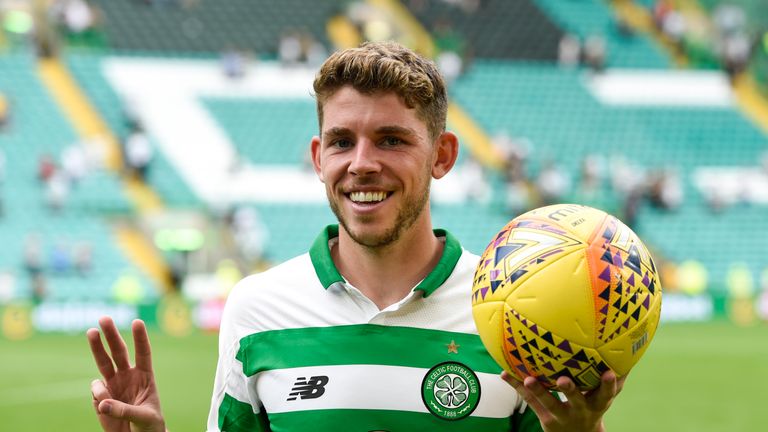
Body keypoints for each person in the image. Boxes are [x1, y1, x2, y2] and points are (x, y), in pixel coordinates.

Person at [87, 41, 624, 432]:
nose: (362, 164)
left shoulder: (511, 314)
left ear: (443, 156)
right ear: (319, 158)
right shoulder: (257, 308)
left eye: (391, 140)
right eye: (342, 142)